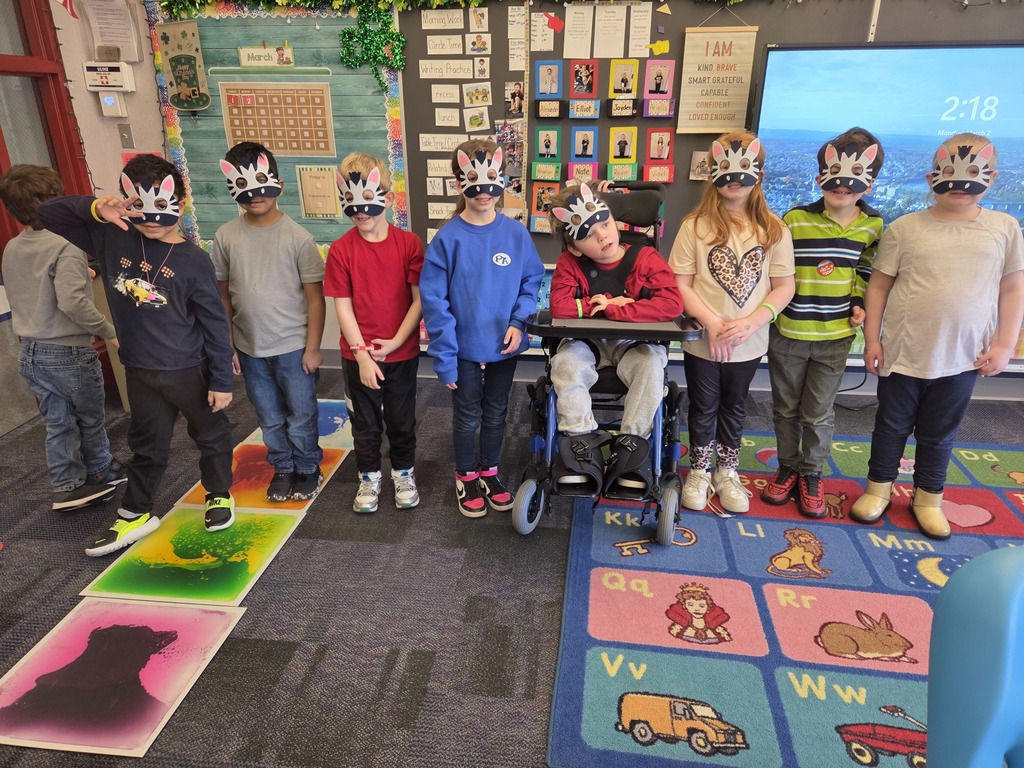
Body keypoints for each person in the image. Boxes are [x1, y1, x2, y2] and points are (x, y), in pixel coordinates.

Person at [38, 155, 236, 556]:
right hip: (140, 369)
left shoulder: (194, 260)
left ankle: (218, 493)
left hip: (189, 369)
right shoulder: (110, 235)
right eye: (138, 205)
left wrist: (221, 380)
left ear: (180, 204)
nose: (149, 216)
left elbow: (215, 324)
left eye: (161, 206)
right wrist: (97, 207)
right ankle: (137, 512)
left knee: (211, 434)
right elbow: (47, 213)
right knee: (146, 443)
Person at [850, 133, 1024, 539]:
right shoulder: (906, 228)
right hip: (903, 351)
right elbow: (878, 286)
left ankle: (928, 496)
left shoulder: (1003, 228)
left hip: (963, 356)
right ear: (932, 177)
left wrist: (1004, 344)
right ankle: (878, 489)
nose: (960, 185)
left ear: (992, 177)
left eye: (973, 175)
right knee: (890, 426)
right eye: (950, 175)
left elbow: (1012, 289)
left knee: (940, 431)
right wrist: (873, 341)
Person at [667, 132, 796, 514]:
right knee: (703, 404)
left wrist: (752, 323)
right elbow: (680, 283)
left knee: (735, 405)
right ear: (712, 173)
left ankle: (727, 470)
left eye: (744, 169)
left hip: (748, 341)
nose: (735, 179)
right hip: (703, 338)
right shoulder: (695, 226)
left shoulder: (774, 229)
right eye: (725, 169)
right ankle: (701, 471)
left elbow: (784, 286)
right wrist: (710, 321)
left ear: (759, 173)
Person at [762, 128, 885, 518]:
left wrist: (859, 299)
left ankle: (811, 473)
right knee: (785, 409)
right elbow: (776, 268)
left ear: (869, 183)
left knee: (818, 412)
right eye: (834, 175)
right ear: (820, 177)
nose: (843, 186)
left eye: (855, 179)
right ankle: (787, 466)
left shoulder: (873, 226)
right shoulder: (795, 220)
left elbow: (868, 269)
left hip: (835, 336)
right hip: (790, 331)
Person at [419, 138, 544, 518]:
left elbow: (531, 281)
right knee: (467, 414)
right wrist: (444, 355)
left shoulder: (515, 234)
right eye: (474, 180)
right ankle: (465, 474)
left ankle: (489, 470)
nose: (485, 189)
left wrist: (520, 323)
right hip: (463, 348)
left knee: (497, 411)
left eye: (493, 177)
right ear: (460, 184)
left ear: (502, 179)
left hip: (504, 344)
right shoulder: (447, 239)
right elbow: (434, 302)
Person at [0, 165, 126, 512]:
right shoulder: (65, 246)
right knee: (89, 416)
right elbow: (73, 303)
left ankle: (67, 484)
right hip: (68, 350)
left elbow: (35, 283)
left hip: (31, 352)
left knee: (58, 423)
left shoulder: (13, 247)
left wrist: (83, 272)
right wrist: (110, 332)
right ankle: (100, 470)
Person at [546, 182, 683, 497]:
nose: (603, 236)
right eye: (590, 235)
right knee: (565, 364)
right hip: (587, 343)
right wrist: (596, 306)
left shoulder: (646, 257)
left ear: (613, 219)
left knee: (651, 365)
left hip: (633, 344)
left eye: (605, 224)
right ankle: (581, 445)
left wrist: (623, 308)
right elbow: (559, 306)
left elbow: (672, 304)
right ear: (576, 248)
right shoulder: (570, 264)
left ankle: (631, 446)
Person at [213, 142, 325, 503]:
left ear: (277, 183)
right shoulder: (225, 236)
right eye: (243, 188)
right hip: (250, 347)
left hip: (293, 346)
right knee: (269, 416)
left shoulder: (298, 238)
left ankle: (307, 465)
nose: (253, 196)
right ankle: (284, 466)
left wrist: (312, 348)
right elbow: (223, 295)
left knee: (301, 414)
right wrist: (228, 343)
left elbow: (314, 298)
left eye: (261, 184)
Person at [325, 152, 424, 513]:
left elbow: (418, 301)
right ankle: (368, 477)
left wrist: (397, 341)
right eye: (350, 202)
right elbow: (342, 306)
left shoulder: (409, 244)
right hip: (357, 357)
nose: (360, 210)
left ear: (389, 198)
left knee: (401, 419)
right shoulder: (341, 250)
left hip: (402, 353)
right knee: (364, 424)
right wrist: (362, 355)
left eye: (369, 199)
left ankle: (403, 472)